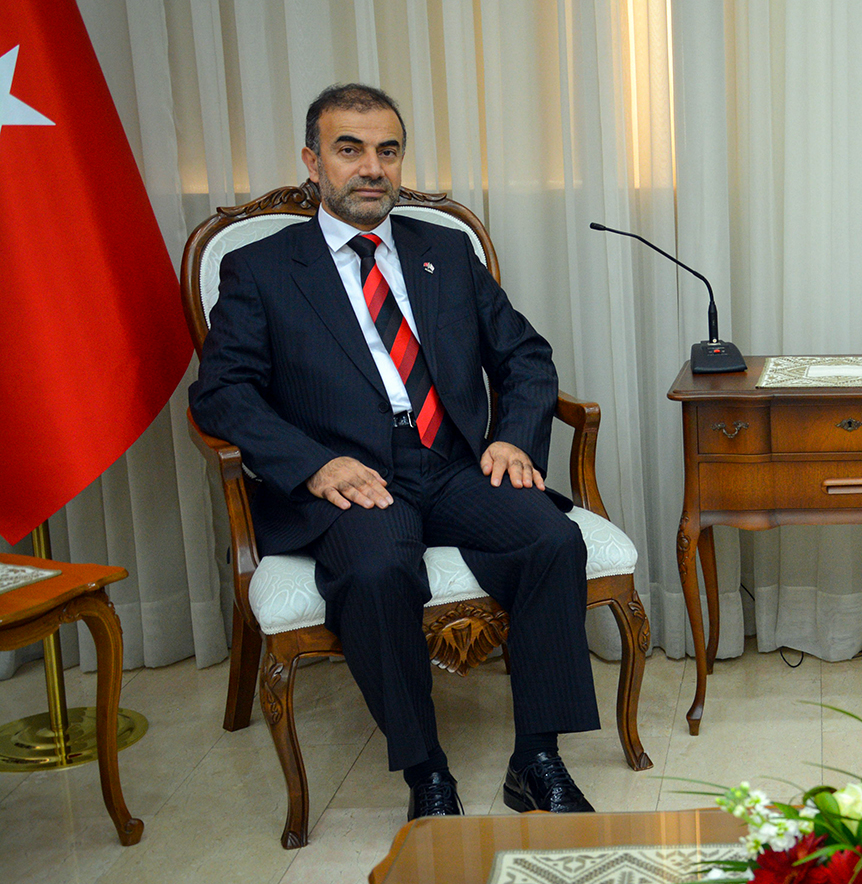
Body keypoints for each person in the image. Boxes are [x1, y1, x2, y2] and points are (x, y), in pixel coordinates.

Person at [191, 83, 601, 820]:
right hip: (353, 480)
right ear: (313, 162)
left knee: (550, 539)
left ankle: (537, 758)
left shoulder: (444, 251)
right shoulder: (262, 268)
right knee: (377, 571)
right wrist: (312, 464)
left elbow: (526, 357)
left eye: (387, 151)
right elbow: (222, 393)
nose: (371, 168)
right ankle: (426, 772)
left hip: (451, 462)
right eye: (349, 150)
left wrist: (513, 436)